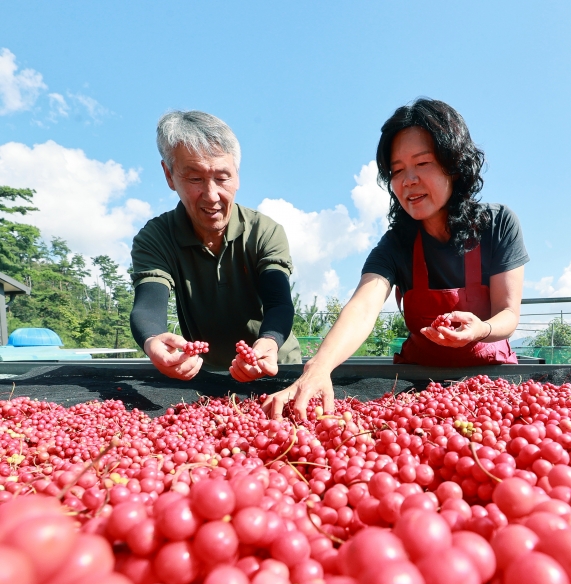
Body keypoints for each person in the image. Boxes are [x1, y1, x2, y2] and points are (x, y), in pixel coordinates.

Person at [263, 98, 528, 419]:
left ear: (454, 166)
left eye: (423, 163)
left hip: (491, 386)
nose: (408, 180)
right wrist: (318, 368)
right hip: (421, 388)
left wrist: (480, 330)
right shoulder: (396, 245)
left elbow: (508, 314)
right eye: (397, 170)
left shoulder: (497, 224)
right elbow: (362, 308)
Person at [130, 110, 300, 381]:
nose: (211, 196)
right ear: (169, 175)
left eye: (222, 178)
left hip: (275, 365)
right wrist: (153, 341)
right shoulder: (156, 238)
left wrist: (268, 342)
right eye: (195, 178)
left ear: (237, 176)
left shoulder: (264, 232)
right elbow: (148, 304)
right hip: (207, 376)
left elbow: (278, 302)